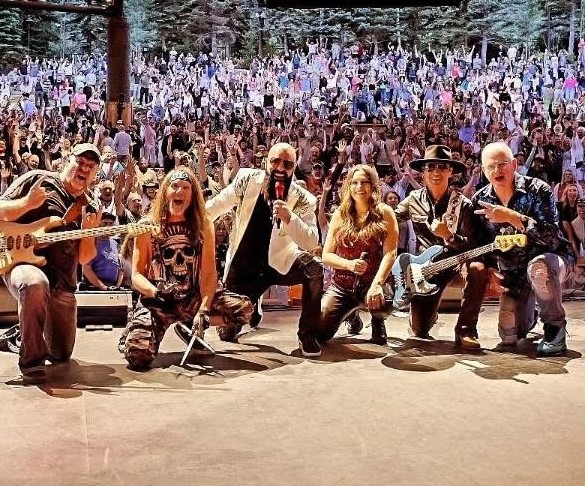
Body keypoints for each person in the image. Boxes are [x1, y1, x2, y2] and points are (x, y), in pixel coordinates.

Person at [0, 143, 103, 376]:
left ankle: (20, 334)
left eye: (91, 166)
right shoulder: (38, 179)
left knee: (60, 354)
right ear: (67, 161)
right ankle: (31, 361)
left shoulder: (90, 206)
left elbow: (85, 259)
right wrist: (27, 203)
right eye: (80, 162)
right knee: (35, 283)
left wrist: (90, 232)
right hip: (21, 263)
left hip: (62, 287)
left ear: (95, 174)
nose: (84, 169)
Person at [120, 167, 253, 369]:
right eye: (174, 186)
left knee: (243, 309)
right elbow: (137, 275)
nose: (179, 191)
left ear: (193, 195)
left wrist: (204, 310)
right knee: (138, 356)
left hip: (192, 297)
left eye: (185, 187)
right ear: (165, 192)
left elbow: (208, 272)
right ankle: (137, 327)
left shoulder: (203, 225)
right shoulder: (147, 225)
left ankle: (190, 323)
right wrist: (156, 292)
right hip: (159, 301)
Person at [206, 142, 323, 357]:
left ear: (294, 167)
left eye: (287, 164)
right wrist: (189, 220)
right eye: (275, 161)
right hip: (245, 267)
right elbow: (217, 205)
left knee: (314, 268)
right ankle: (251, 304)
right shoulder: (246, 179)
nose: (280, 168)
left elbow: (311, 241)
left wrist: (290, 218)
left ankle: (307, 334)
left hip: (279, 264)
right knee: (227, 333)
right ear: (266, 162)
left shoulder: (304, 199)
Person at [473, 142, 574, 357]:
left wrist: (513, 218)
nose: (497, 170)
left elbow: (551, 237)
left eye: (502, 164)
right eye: (491, 166)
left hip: (549, 261)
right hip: (512, 274)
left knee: (538, 269)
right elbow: (480, 244)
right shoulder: (480, 201)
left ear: (514, 165)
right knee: (509, 335)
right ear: (483, 170)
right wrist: (490, 269)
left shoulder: (539, 189)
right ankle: (532, 310)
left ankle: (555, 328)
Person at [395, 145, 490, 349]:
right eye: (430, 167)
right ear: (423, 172)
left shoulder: (463, 204)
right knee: (419, 331)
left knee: (477, 269)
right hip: (427, 269)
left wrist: (449, 236)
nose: (435, 172)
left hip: (458, 263)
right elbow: (390, 220)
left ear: (450, 171)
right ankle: (428, 312)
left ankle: (466, 330)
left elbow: (473, 245)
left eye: (441, 167)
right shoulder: (413, 199)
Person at [316, 164, 398, 346]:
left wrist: (378, 284)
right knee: (318, 331)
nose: (359, 187)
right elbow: (326, 256)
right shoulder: (340, 214)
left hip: (372, 282)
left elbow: (391, 253)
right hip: (342, 286)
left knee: (383, 304)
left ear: (373, 185)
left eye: (364, 182)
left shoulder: (385, 212)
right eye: (354, 183)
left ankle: (377, 320)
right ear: (348, 186)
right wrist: (349, 264)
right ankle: (351, 314)